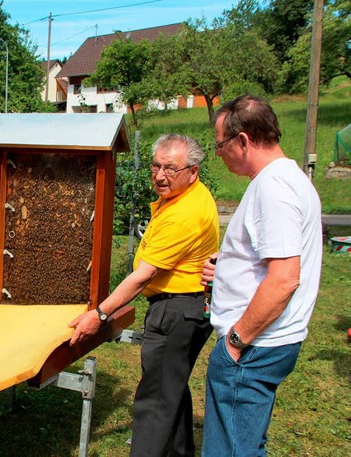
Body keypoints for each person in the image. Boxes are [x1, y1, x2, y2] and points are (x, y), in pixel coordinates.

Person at [69, 134, 219, 457]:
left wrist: (100, 314)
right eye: (156, 166)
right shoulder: (189, 193)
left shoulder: (184, 214)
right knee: (171, 390)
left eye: (170, 169)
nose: (160, 175)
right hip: (189, 307)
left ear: (192, 171)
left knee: (154, 403)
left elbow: (143, 276)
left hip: (175, 311)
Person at [201, 95, 322, 456]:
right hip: (267, 343)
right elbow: (277, 255)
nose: (219, 153)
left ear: (243, 141)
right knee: (248, 443)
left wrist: (236, 343)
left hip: (254, 346)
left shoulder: (274, 188)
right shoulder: (289, 179)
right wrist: (230, 262)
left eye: (221, 145)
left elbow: (285, 278)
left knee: (231, 450)